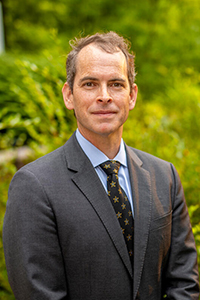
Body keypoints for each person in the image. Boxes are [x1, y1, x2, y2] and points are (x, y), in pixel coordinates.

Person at [3, 31, 199, 300]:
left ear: (132, 95)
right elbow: (40, 294)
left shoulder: (164, 176)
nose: (104, 96)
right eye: (90, 84)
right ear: (69, 95)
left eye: (116, 84)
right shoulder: (34, 186)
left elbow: (184, 283)